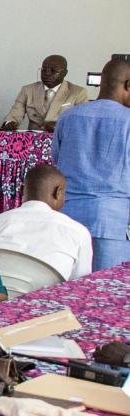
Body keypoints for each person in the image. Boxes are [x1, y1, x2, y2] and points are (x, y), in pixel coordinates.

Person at [52, 57, 130, 271]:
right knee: (109, 285)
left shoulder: (68, 117)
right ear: (128, 85)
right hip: (113, 222)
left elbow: (57, 160)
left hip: (68, 217)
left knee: (68, 285)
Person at [0, 164, 93, 282]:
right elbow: (80, 285)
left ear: (22, 190)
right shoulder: (78, 232)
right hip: (46, 295)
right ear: (58, 192)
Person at [2, 54, 88, 132]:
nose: (47, 74)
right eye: (44, 70)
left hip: (63, 139)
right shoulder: (28, 90)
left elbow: (82, 122)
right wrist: (9, 123)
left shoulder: (78, 92)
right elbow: (14, 114)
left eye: (53, 71)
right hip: (33, 140)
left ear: (65, 73)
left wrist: (58, 126)